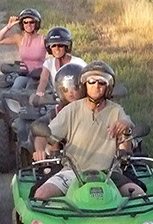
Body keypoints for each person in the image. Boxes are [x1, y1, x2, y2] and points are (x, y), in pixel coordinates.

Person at [33, 60, 145, 199]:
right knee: (41, 194)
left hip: (109, 174)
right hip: (73, 172)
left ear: (108, 87)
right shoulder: (71, 110)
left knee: (139, 195)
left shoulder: (116, 111)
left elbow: (127, 141)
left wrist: (126, 127)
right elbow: (48, 135)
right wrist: (40, 150)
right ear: (84, 84)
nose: (96, 86)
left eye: (101, 82)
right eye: (91, 81)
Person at [32, 63, 84, 161]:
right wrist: (40, 151)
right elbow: (41, 133)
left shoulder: (91, 109)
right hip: (60, 160)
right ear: (60, 90)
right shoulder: (56, 112)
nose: (71, 92)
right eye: (65, 89)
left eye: (75, 88)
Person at [0, 8, 45, 89]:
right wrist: (8, 26)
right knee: (16, 87)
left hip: (40, 76)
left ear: (36, 23)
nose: (28, 25)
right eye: (25, 22)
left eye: (31, 22)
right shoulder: (19, 39)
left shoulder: (43, 39)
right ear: (22, 24)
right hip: (24, 75)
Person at [35, 26, 86, 97]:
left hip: (75, 98)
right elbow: (43, 80)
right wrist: (39, 92)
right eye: (53, 46)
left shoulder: (78, 63)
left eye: (60, 45)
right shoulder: (48, 63)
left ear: (66, 47)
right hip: (57, 99)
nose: (57, 49)